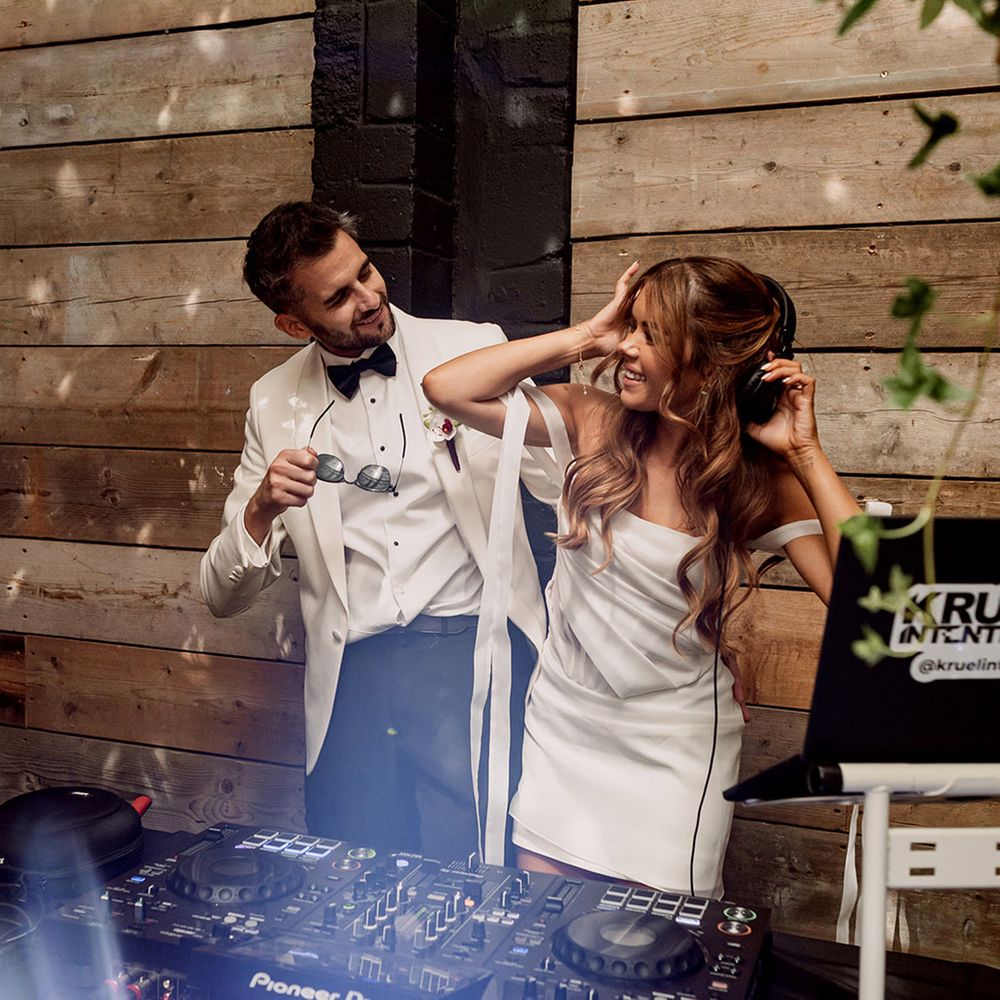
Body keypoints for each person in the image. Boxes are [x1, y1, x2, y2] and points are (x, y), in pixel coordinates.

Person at [422, 256, 860, 896]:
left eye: (650, 334)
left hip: (675, 748)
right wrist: (587, 337)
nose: (626, 346)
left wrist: (805, 453)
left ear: (707, 362)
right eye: (631, 325)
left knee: (651, 960)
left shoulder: (754, 480)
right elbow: (446, 388)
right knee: (545, 937)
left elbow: (870, 601)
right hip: (565, 725)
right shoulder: (592, 420)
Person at [200, 201, 552, 864]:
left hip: (468, 659)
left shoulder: (472, 347)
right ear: (290, 321)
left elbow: (565, 480)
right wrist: (259, 512)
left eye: (367, 272)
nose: (369, 296)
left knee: (479, 876)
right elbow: (220, 595)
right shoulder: (272, 402)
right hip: (352, 680)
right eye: (340, 295)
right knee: (348, 873)